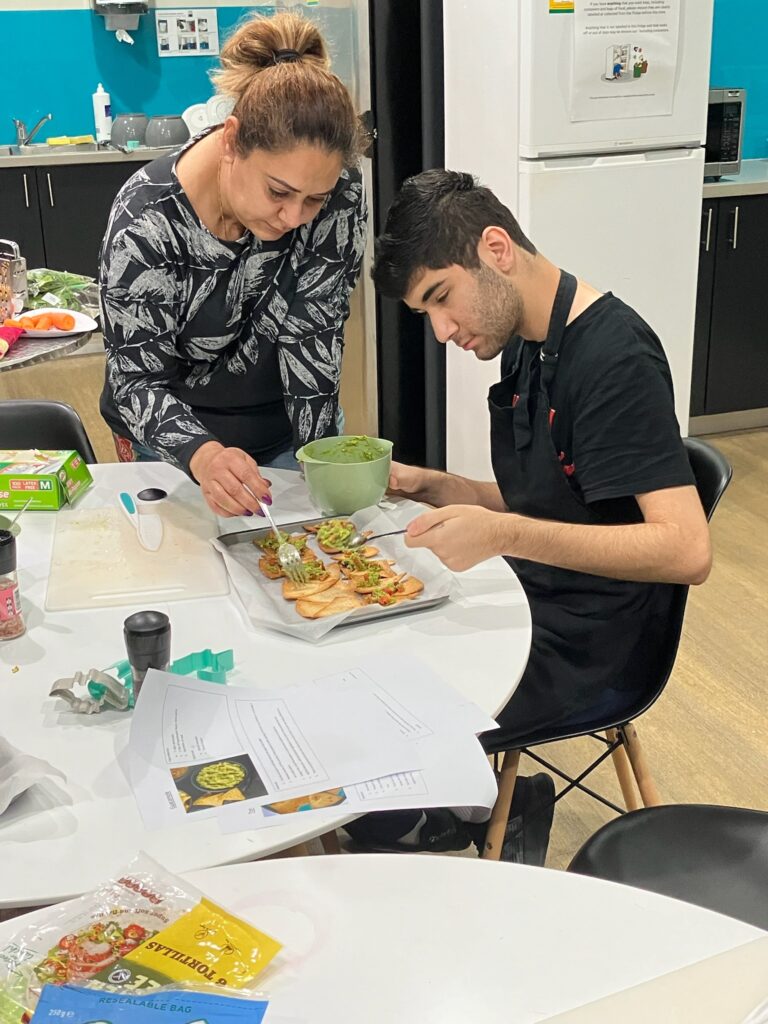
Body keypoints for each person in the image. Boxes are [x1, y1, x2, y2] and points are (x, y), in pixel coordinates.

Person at [343, 168, 711, 861]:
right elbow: (558, 500)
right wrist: (445, 487)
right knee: (361, 652)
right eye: (428, 314)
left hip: (594, 640)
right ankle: (464, 818)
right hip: (534, 593)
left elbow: (687, 550)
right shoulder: (529, 343)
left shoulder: (614, 359)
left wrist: (503, 533)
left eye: (442, 299)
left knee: (380, 710)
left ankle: (445, 830)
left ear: (496, 248)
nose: (445, 330)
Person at [99, 12, 367, 518]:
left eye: (315, 199)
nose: (294, 217)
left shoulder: (341, 194)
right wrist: (205, 456)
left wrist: (321, 472)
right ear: (231, 140)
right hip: (173, 445)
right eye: (278, 192)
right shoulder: (147, 222)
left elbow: (315, 335)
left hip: (284, 428)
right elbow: (136, 379)